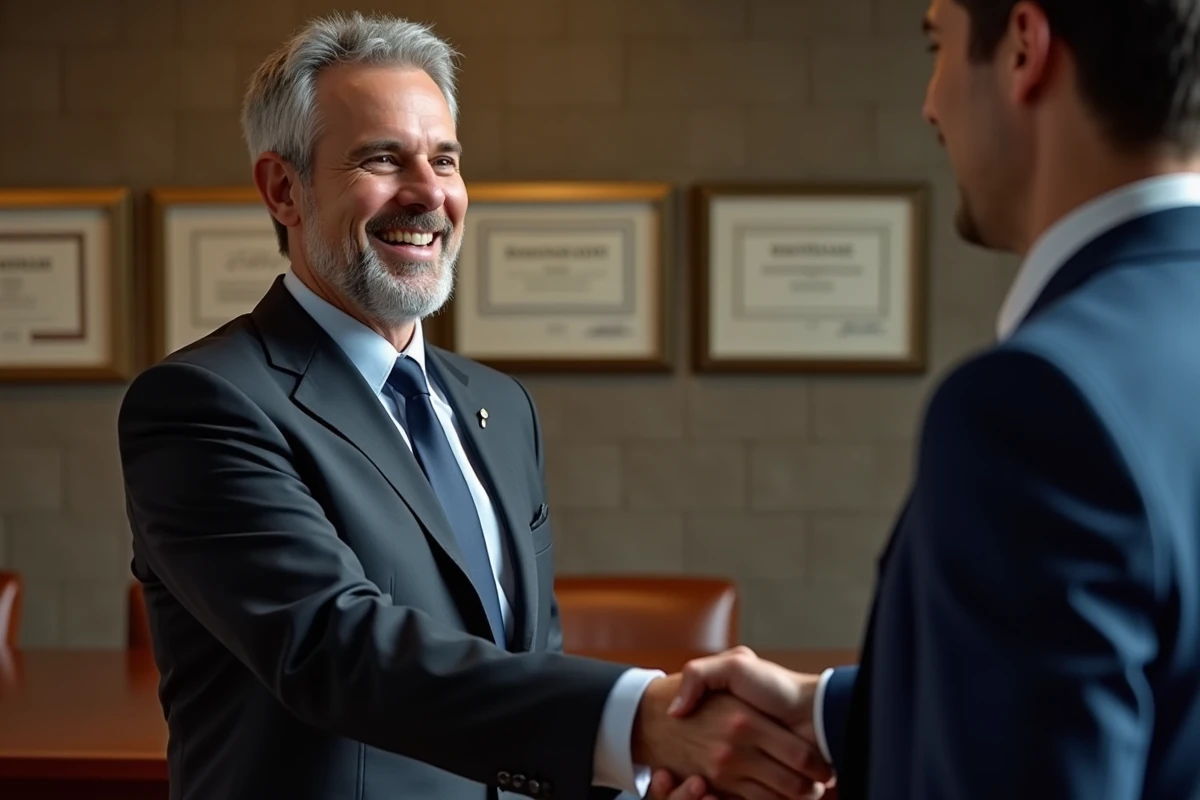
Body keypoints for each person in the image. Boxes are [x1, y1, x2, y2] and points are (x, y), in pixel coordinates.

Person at [116, 12, 831, 800]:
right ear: (283, 189)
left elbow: (524, 665)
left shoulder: (497, 404)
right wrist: (640, 718)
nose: (428, 194)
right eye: (383, 159)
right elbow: (335, 648)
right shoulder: (204, 404)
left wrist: (635, 778)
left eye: (445, 160)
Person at [650, 0, 1200, 799]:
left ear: (1022, 47)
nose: (929, 103)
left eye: (936, 43)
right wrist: (833, 713)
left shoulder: (1035, 402)